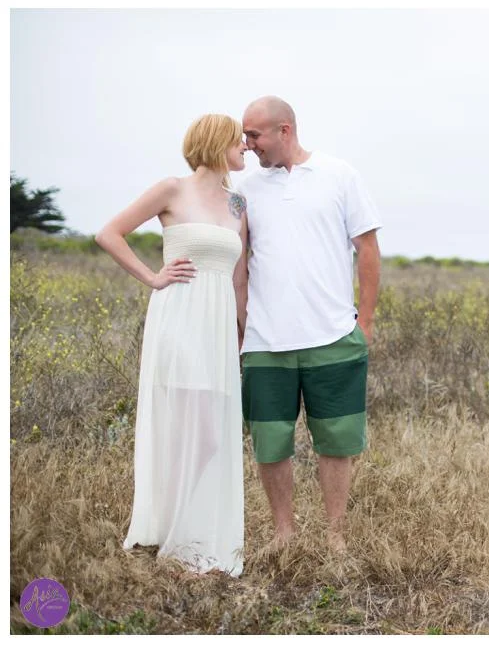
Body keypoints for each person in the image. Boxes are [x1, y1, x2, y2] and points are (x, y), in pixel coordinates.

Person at [95, 114, 249, 576]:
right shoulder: (172, 189)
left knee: (209, 432)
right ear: (216, 142)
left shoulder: (239, 202)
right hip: (180, 317)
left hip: (218, 324)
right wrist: (152, 277)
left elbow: (239, 273)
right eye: (238, 141)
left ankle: (178, 524)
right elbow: (108, 234)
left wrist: (242, 331)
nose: (246, 148)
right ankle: (174, 533)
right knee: (192, 426)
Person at [236, 96, 382, 554]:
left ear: (285, 130)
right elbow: (238, 263)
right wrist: (239, 325)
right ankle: (284, 533)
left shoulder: (340, 175)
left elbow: (368, 249)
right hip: (265, 338)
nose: (247, 144)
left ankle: (335, 535)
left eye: (254, 134)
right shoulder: (245, 188)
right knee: (270, 441)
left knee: (336, 441)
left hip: (333, 335)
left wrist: (367, 321)